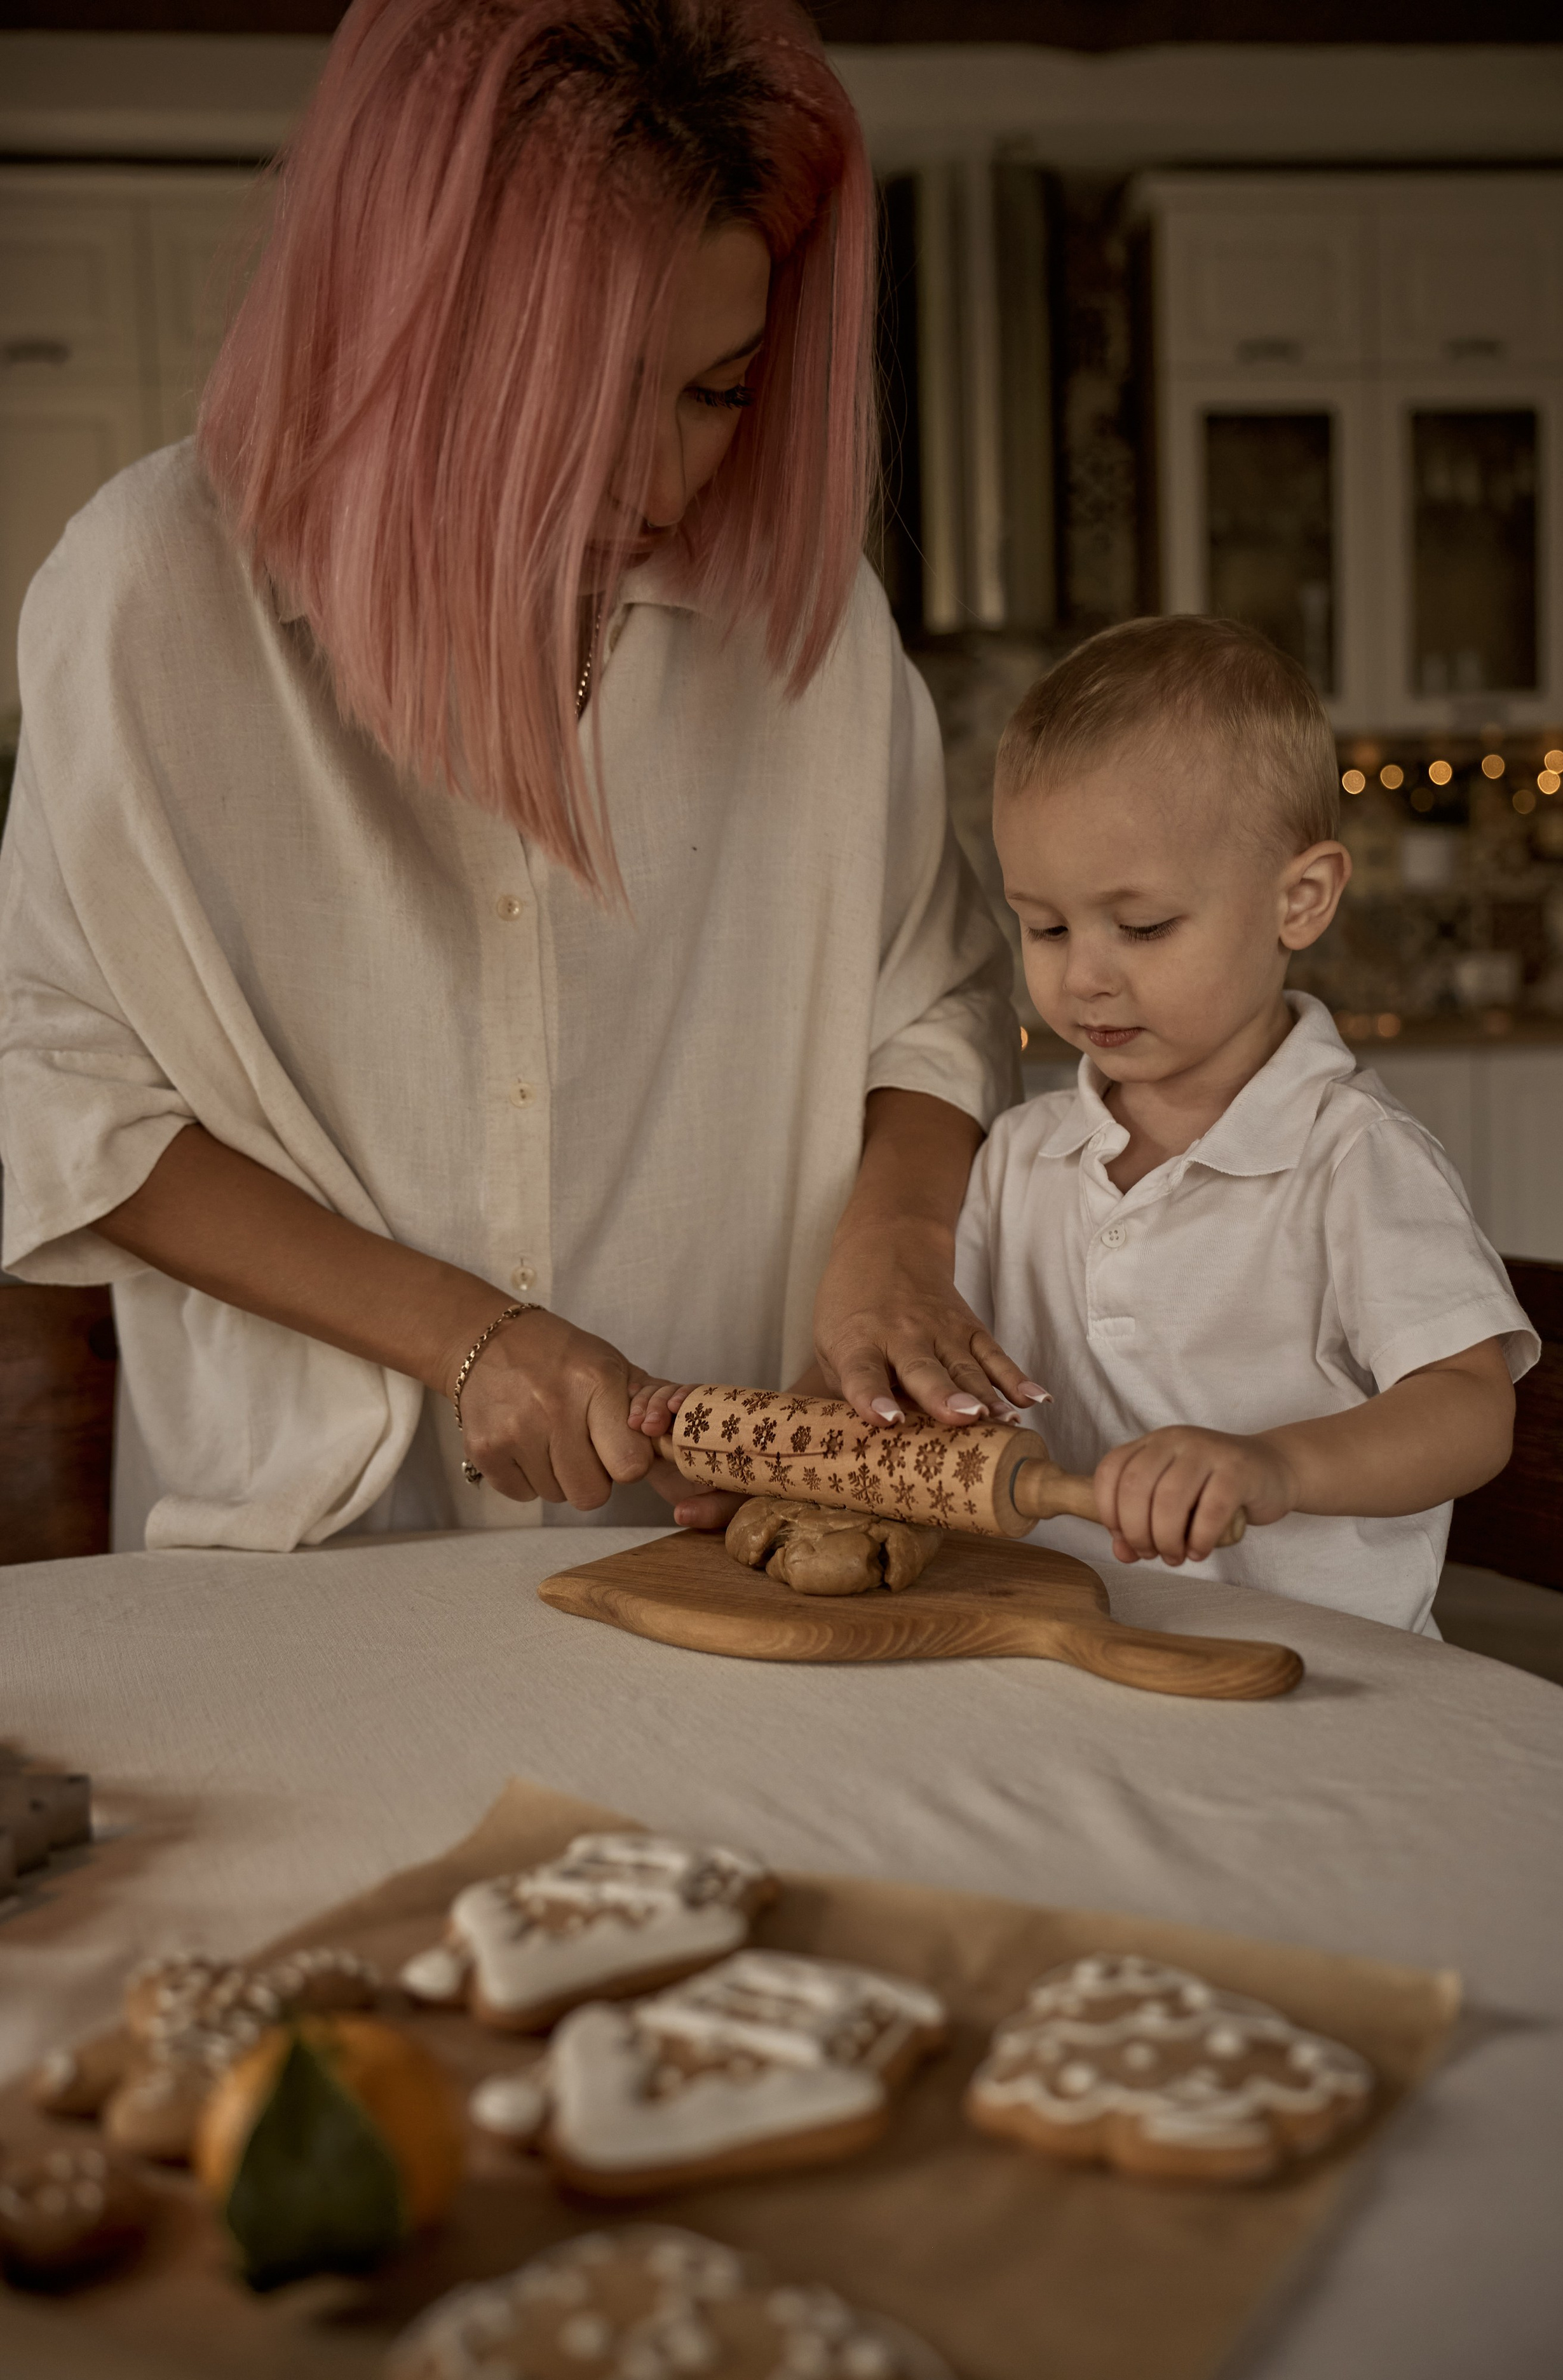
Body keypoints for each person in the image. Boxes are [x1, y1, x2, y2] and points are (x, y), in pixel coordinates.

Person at [0, 0, 1036, 1556]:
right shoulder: (151, 598)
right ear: (406, 328)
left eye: (718, 390)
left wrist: (892, 1245)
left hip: (715, 1547)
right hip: (309, 1565)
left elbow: (936, 1001)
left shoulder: (806, 629)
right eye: (594, 394)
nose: (668, 481)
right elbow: (60, 1095)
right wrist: (460, 1335)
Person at [954, 616, 1538, 1635]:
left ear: (1299, 901)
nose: (1082, 973)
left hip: (1324, 1687)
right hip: (1068, 1657)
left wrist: (1275, 1464)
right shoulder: (1016, 1156)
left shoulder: (1352, 1157)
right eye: (1044, 925)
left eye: (1141, 926)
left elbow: (1470, 1410)